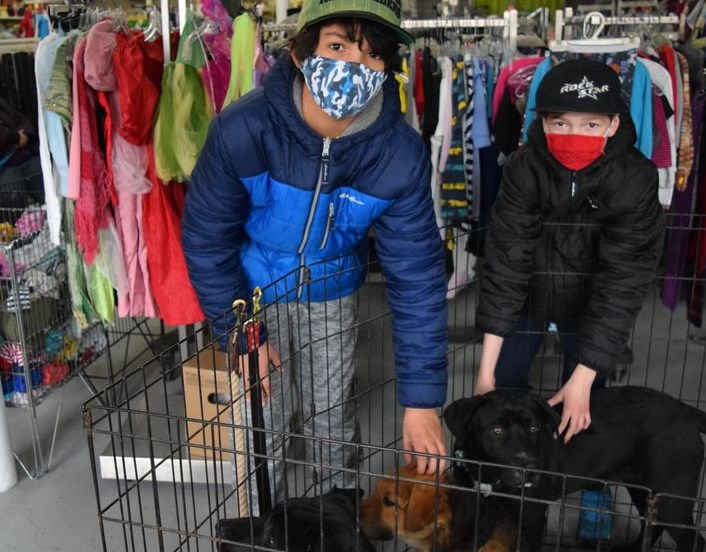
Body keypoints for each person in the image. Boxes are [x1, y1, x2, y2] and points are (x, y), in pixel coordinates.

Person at [182, 0, 448, 506]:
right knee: (264, 423)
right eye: (337, 45)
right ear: (302, 54)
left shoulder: (399, 154)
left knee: (333, 420)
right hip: (253, 294)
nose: (354, 65)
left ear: (389, 69)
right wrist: (244, 335)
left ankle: (338, 534)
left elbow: (417, 276)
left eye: (373, 55)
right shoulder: (244, 129)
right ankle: (263, 540)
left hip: (332, 295)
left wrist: (423, 401)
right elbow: (207, 238)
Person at [475, 59, 665, 443]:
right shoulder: (523, 166)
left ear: (613, 124)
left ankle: (588, 486)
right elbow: (507, 257)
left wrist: (585, 372)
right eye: (561, 123)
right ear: (543, 122)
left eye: (590, 124)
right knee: (504, 390)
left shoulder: (636, 177)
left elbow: (623, 279)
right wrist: (484, 372)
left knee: (585, 402)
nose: (574, 134)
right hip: (527, 298)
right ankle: (513, 479)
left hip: (590, 306)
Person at [0, 97, 40, 189]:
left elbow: (21, 118)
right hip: (5, 167)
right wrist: (16, 138)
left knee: (40, 172)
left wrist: (25, 133)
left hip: (24, 156)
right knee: (14, 193)